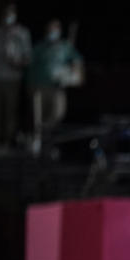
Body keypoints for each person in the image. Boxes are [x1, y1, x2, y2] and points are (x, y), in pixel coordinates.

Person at [27, 19, 84, 157]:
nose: (53, 32)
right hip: (39, 87)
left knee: (57, 114)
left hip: (57, 89)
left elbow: (77, 61)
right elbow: (29, 65)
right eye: (51, 30)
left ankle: (47, 140)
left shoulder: (65, 47)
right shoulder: (40, 47)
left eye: (56, 29)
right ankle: (37, 145)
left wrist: (75, 74)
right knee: (38, 117)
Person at [0, 3, 32, 150]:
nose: (8, 18)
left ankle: (8, 139)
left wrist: (17, 63)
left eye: (10, 14)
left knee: (10, 110)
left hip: (12, 79)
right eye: (5, 15)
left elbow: (27, 58)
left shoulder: (22, 34)